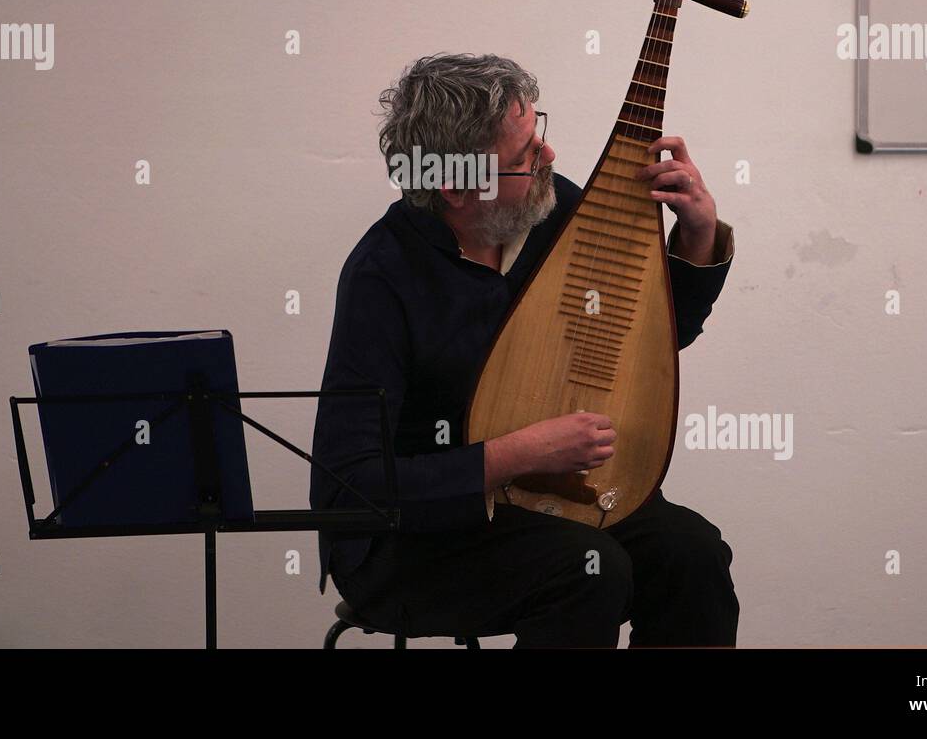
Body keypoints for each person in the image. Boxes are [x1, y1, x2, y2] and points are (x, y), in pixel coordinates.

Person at [309, 53, 739, 647]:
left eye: (538, 135)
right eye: (523, 157)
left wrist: (696, 236)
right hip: (422, 539)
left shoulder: (552, 210)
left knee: (692, 555)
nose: (549, 158)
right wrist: (512, 455)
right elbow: (351, 486)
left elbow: (638, 343)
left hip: (553, 500)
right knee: (588, 571)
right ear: (455, 187)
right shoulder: (381, 279)